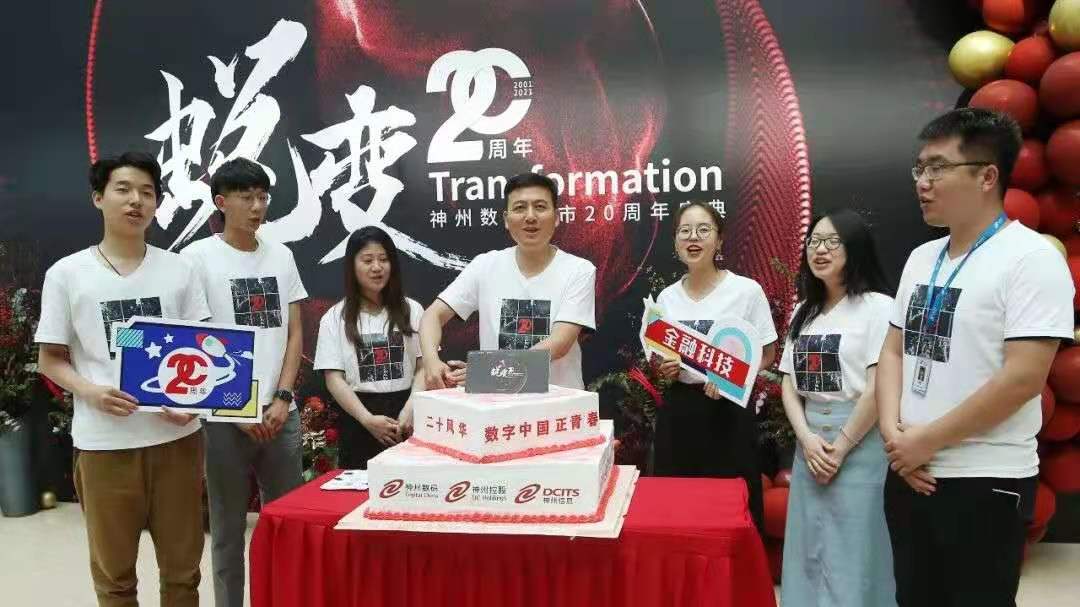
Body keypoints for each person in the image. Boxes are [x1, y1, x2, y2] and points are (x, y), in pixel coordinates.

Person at [877, 108, 1074, 607]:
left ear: (988, 176)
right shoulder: (921, 258)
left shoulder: (1031, 259)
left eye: (938, 167)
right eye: (920, 168)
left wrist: (926, 441)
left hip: (984, 480)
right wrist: (895, 437)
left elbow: (1023, 378)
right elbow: (894, 350)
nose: (923, 182)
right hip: (908, 471)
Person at [36, 151, 209, 607]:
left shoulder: (180, 269)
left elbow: (202, 351)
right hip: (104, 444)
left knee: (184, 572)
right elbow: (50, 359)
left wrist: (193, 403)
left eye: (147, 192)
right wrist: (91, 391)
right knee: (114, 577)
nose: (136, 200)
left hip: (176, 441)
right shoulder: (67, 274)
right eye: (124, 189)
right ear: (98, 198)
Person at [180, 157, 308, 607]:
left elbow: (294, 332)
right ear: (221, 202)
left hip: (280, 415)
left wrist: (283, 397)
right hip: (223, 419)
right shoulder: (196, 259)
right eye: (246, 197)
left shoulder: (281, 255)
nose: (257, 207)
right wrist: (236, 410)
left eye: (262, 197)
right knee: (228, 530)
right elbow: (195, 341)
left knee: (288, 525)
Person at [778, 210, 895, 606]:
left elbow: (879, 386)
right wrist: (806, 439)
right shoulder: (803, 311)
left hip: (861, 441)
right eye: (813, 241)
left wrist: (841, 447)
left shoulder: (879, 307)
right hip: (810, 445)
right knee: (808, 549)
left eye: (831, 241)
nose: (820, 250)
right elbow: (789, 383)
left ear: (855, 248)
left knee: (856, 549)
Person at [652, 200, 778, 530]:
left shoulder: (746, 291)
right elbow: (660, 354)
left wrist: (730, 379)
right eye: (685, 231)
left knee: (733, 511)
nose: (693, 238)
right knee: (679, 509)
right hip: (680, 412)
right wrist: (664, 367)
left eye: (703, 230)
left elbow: (767, 353)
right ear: (675, 241)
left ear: (720, 239)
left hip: (729, 412)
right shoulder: (666, 298)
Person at [419, 172, 596, 390]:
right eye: (520, 208)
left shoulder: (579, 270)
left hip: (559, 401)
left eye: (540, 207)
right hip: (497, 401)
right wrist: (430, 360)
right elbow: (432, 315)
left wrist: (490, 370)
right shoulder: (485, 265)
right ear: (506, 219)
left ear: (557, 217)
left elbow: (561, 342)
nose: (530, 216)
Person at [314, 226, 426, 468]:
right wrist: (366, 419)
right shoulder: (334, 318)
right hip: (359, 421)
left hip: (407, 417)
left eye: (383, 259)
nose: (377, 267)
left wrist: (411, 408)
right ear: (352, 266)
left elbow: (423, 366)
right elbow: (333, 378)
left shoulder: (413, 310)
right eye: (367, 260)